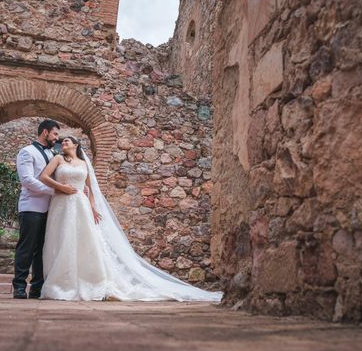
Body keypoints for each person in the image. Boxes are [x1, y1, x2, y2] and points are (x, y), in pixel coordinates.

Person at [38, 136, 223, 302]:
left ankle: (88, 280)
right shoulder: (58, 159)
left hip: (81, 205)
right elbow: (44, 176)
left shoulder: (84, 163)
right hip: (62, 204)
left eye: (67, 141)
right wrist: (61, 187)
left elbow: (91, 189)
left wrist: (93, 208)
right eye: (62, 142)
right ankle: (62, 283)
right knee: (62, 240)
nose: (63, 143)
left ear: (76, 144)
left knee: (84, 241)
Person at [12, 119, 64, 299]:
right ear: (45, 132)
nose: (57, 138)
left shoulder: (53, 155)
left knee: (43, 249)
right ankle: (19, 286)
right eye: (55, 134)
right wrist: (54, 191)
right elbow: (27, 180)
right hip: (31, 207)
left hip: (51, 209)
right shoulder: (26, 152)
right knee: (26, 247)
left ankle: (37, 287)